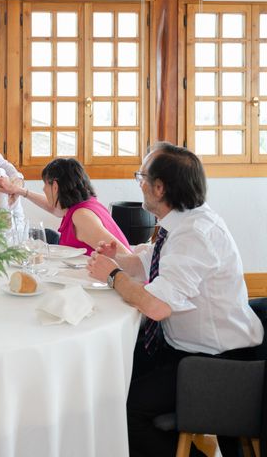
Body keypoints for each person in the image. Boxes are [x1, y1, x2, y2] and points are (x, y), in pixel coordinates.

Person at [87, 142, 264, 457]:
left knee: (125, 410)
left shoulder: (194, 235)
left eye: (141, 176)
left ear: (159, 187)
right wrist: (120, 260)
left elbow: (156, 307)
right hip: (186, 347)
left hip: (218, 364)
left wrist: (113, 276)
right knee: (111, 374)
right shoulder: (183, 221)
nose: (138, 183)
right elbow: (148, 264)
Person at [0, 157, 131, 255]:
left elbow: (122, 254)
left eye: (45, 184)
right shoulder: (85, 206)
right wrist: (20, 191)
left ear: (55, 186)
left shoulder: (82, 217)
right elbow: (55, 209)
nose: (44, 189)